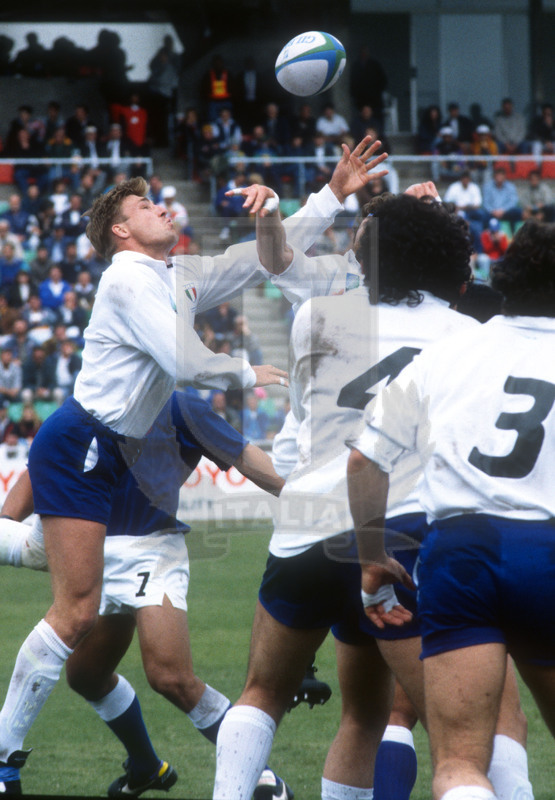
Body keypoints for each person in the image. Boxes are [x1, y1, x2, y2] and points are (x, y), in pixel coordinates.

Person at [216, 182, 534, 800]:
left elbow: (306, 423)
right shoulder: (467, 334)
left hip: (306, 527)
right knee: (490, 723)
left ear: (367, 261)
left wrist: (403, 224)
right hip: (400, 528)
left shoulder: (315, 316)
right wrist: (432, 219)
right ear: (450, 260)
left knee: (272, 694)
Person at [0, 176, 289, 792]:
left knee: (163, 671)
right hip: (89, 473)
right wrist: (242, 372)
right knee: (77, 630)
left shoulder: (169, 286)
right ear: (121, 231)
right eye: (142, 204)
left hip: (132, 516)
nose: (162, 205)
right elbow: (184, 362)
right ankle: (9, 757)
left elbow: (247, 263)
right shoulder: (128, 280)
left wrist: (325, 199)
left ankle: (238, 775)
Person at [347, 219, 555, 800]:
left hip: (460, 555)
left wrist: (370, 558)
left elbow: (365, 462)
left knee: (460, 760)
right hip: (547, 549)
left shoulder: (454, 347)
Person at [0, 390, 289, 798]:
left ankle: (263, 776)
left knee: (171, 678)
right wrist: (6, 521)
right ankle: (146, 766)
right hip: (91, 551)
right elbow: (42, 466)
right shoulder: (96, 395)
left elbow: (243, 454)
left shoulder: (181, 405)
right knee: (86, 676)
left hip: (152, 551)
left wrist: (302, 499)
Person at [482, 166, 522, 232]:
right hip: (492, 212)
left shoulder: (510, 186)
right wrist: (493, 211)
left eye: (501, 175)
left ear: (505, 176)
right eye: (498, 175)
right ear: (494, 176)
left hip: (505, 212)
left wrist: (503, 210)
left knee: (517, 212)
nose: (499, 177)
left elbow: (513, 201)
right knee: (483, 215)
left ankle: (514, 234)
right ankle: (486, 236)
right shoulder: (487, 187)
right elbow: (486, 202)